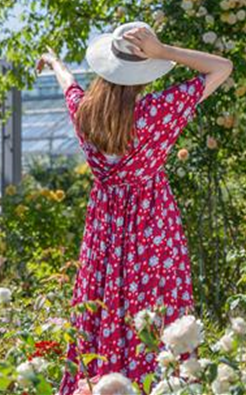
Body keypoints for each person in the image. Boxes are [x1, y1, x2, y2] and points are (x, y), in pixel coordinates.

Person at [36, 21, 233, 395]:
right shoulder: (157, 111)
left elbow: (69, 87)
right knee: (157, 311)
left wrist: (55, 61)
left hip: (104, 234)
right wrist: (163, 52)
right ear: (142, 74)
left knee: (102, 305)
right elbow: (222, 68)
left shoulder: (86, 115)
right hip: (152, 228)